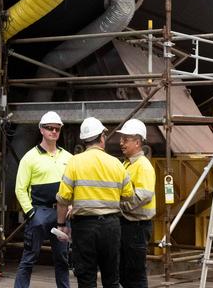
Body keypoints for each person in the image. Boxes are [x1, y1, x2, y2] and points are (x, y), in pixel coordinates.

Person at [57, 116, 135, 288]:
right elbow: (129, 195)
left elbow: (63, 198)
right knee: (111, 279)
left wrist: (61, 224)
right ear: (101, 138)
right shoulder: (116, 164)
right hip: (111, 227)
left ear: (84, 140)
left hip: (84, 228)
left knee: (86, 280)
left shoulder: (74, 162)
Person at [13, 111, 72, 288]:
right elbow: (20, 189)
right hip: (39, 211)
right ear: (41, 130)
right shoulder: (29, 158)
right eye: (49, 128)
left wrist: (72, 205)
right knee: (29, 258)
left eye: (57, 128)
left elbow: (74, 186)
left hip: (61, 214)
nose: (54, 131)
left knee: (62, 259)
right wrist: (31, 213)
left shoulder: (68, 158)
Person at [116, 119, 156, 288]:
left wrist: (118, 207)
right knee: (125, 273)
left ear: (138, 142)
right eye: (121, 139)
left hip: (137, 226)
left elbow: (143, 196)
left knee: (136, 274)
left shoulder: (143, 166)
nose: (121, 143)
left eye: (125, 139)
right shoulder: (128, 164)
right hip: (129, 225)